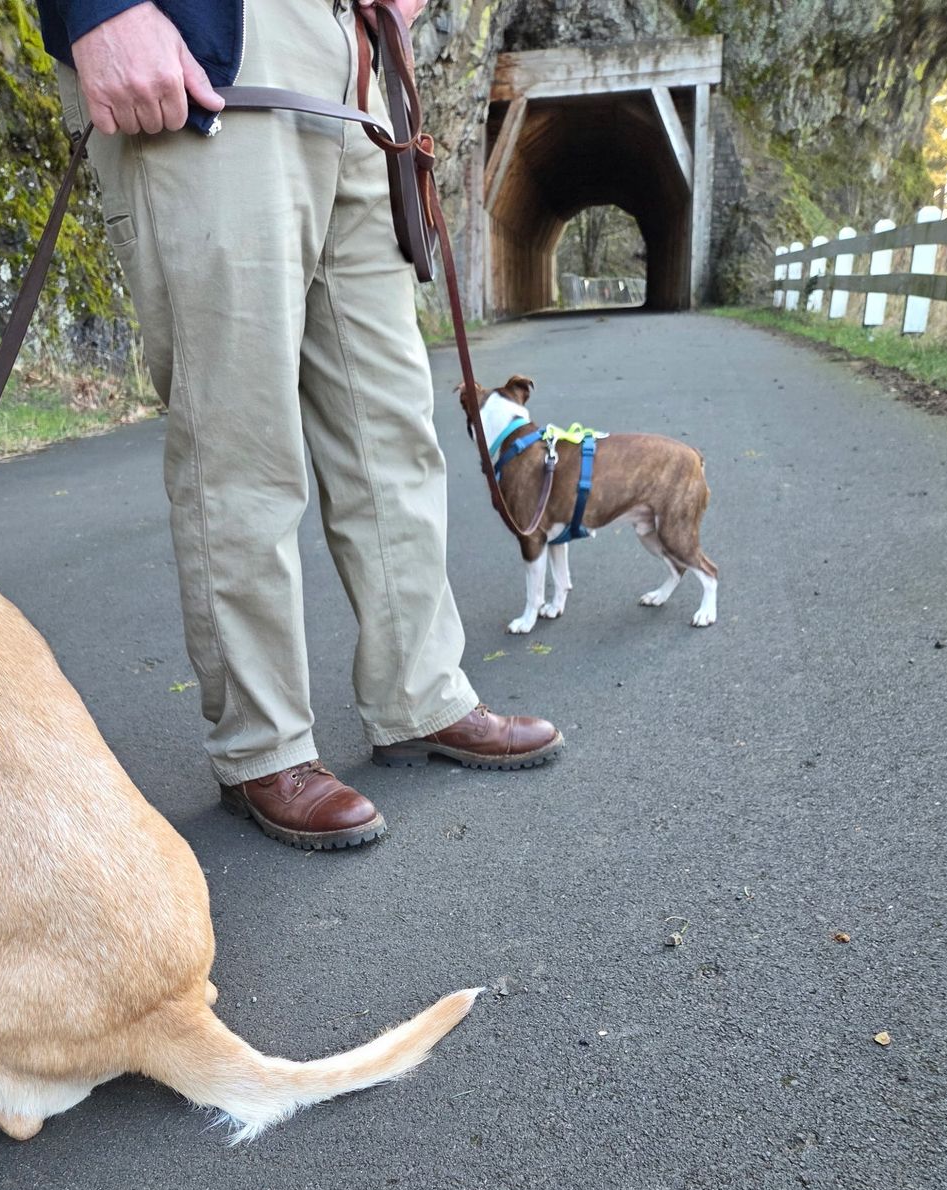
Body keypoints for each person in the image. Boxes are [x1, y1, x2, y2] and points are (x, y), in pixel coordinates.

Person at [34, 0, 563, 850]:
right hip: (213, 42)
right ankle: (264, 744)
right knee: (240, 434)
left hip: (349, 56)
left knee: (392, 425)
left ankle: (421, 694)